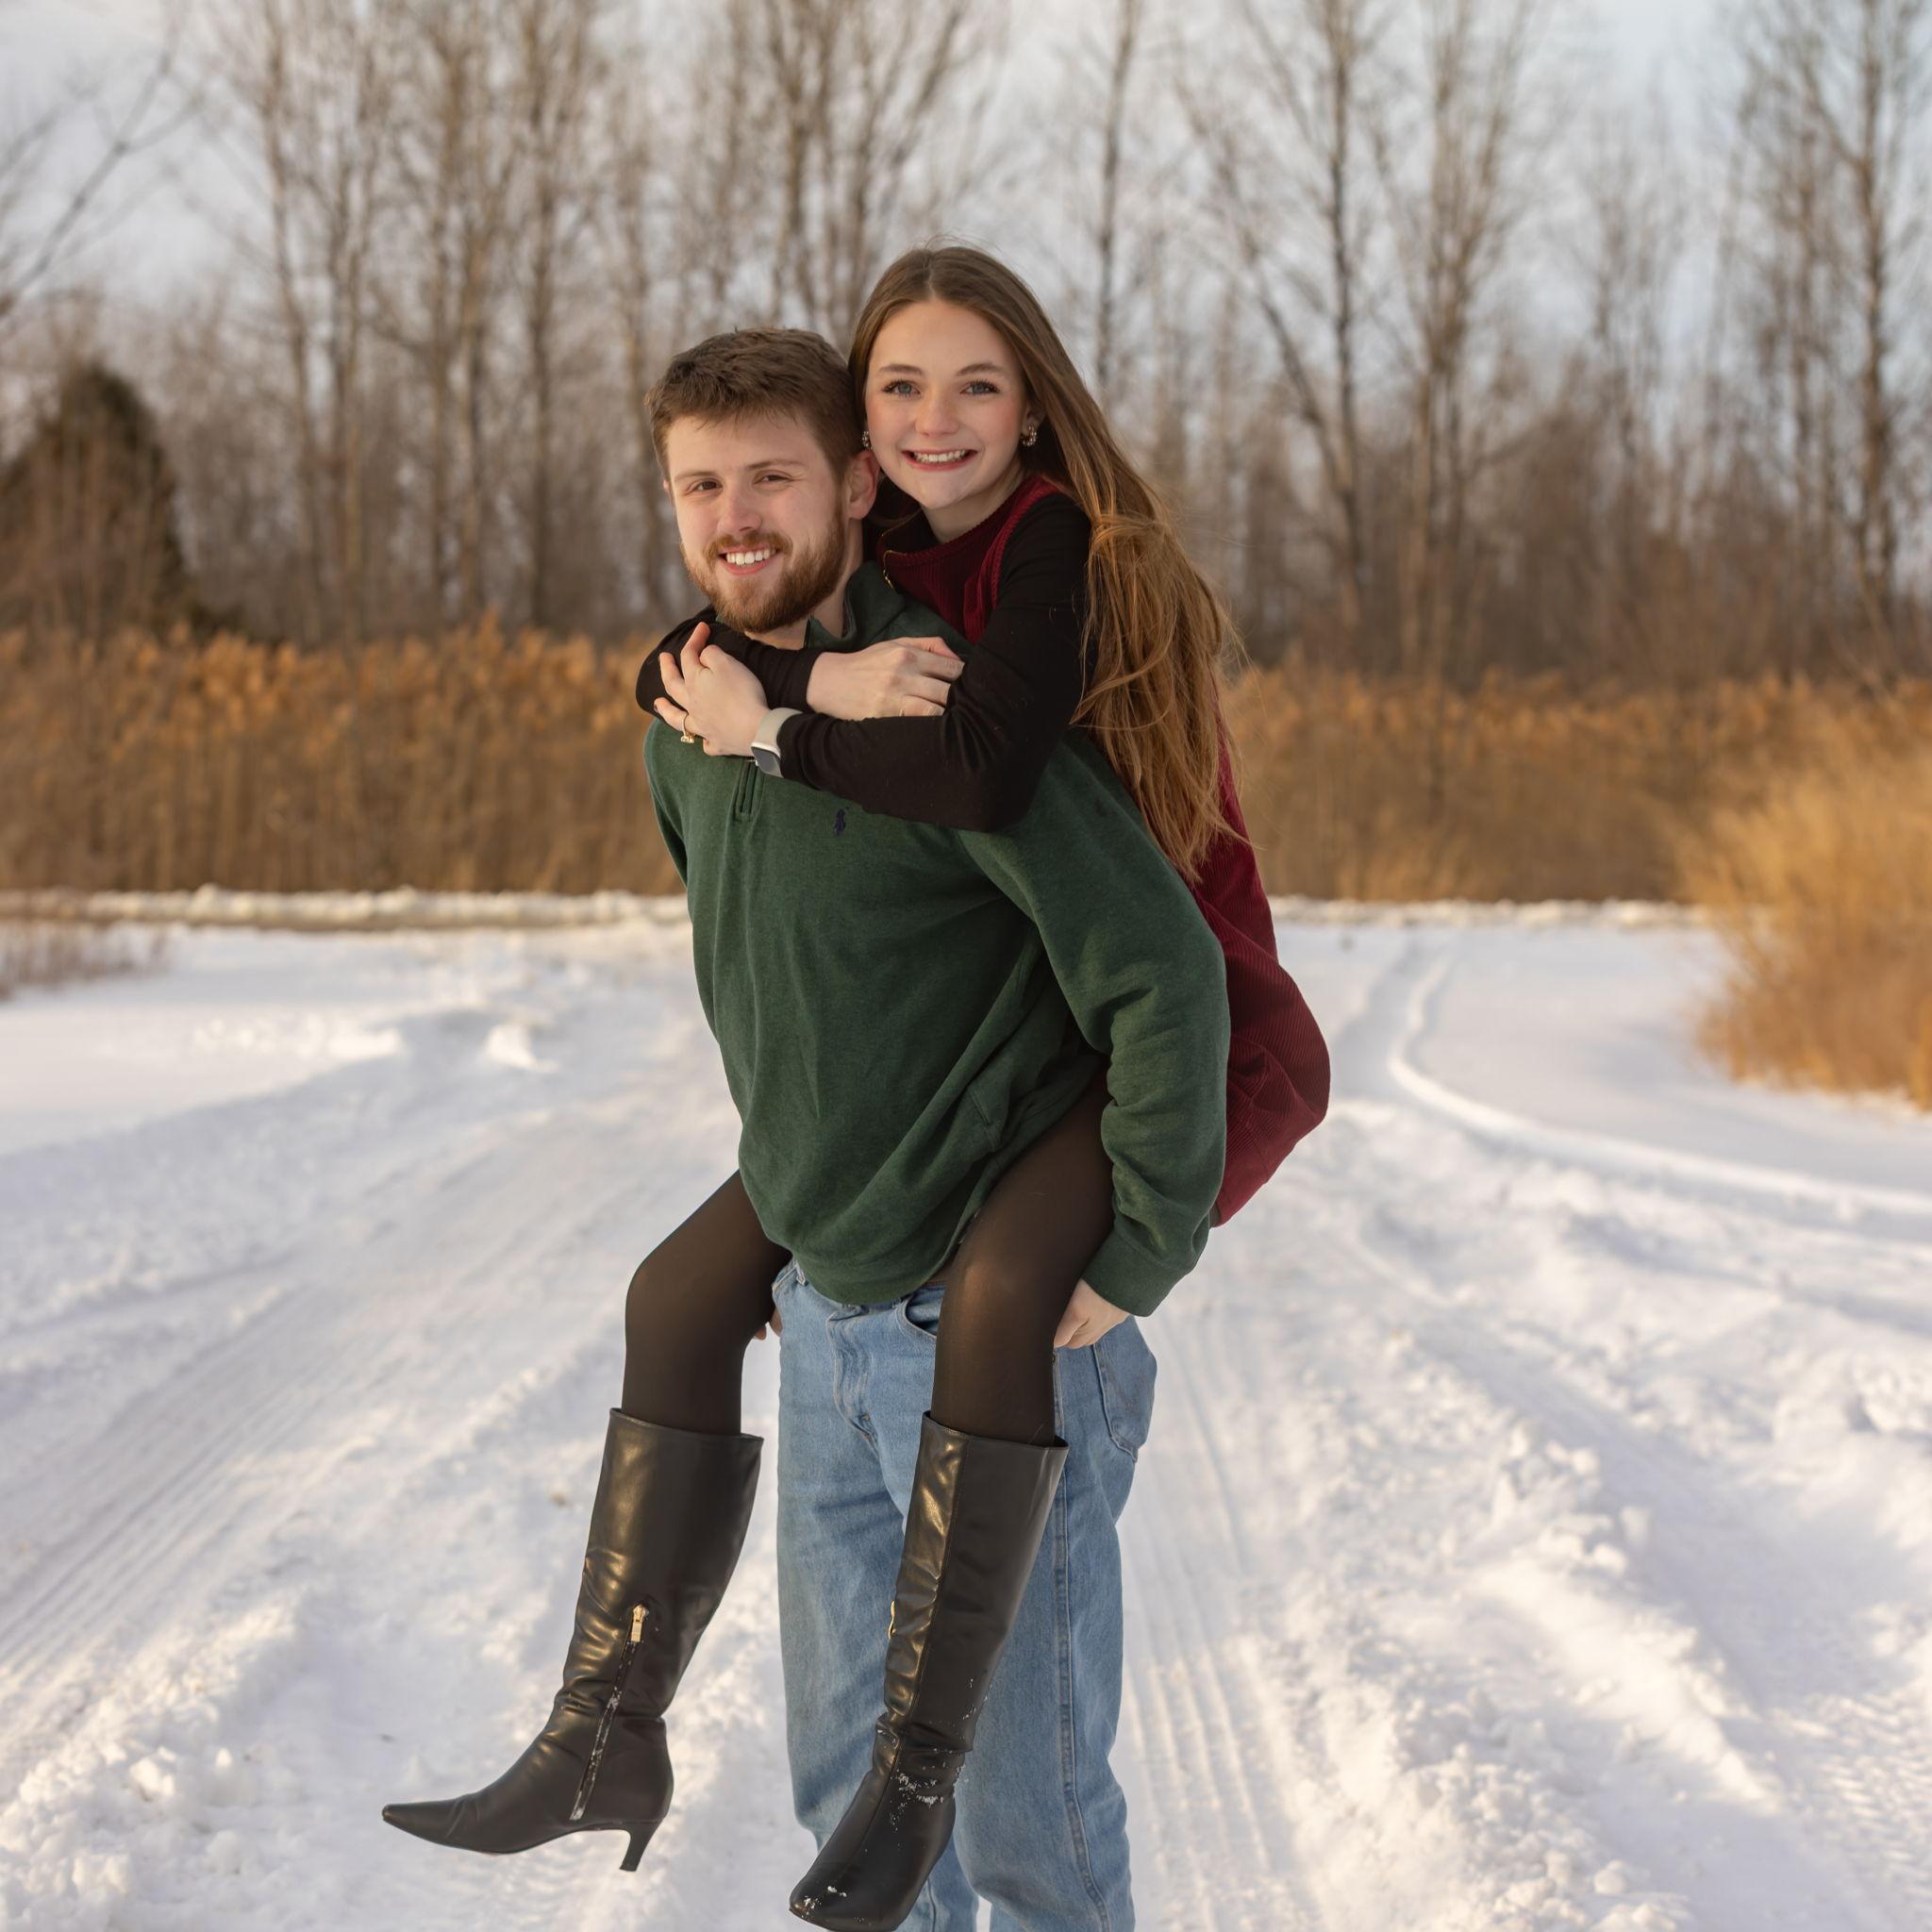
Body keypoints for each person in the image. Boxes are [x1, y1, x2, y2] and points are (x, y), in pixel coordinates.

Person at [382, 323, 1235, 1932]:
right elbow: (782, 984)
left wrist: (1141, 1243)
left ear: (853, 485)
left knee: (1028, 1831)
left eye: (771, 477)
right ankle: (603, 1735)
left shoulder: (945, 706)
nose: (735, 519)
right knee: (849, 1817)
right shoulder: (683, 730)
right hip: (830, 1311)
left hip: (995, 1331)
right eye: (699, 487)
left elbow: (1165, 978)